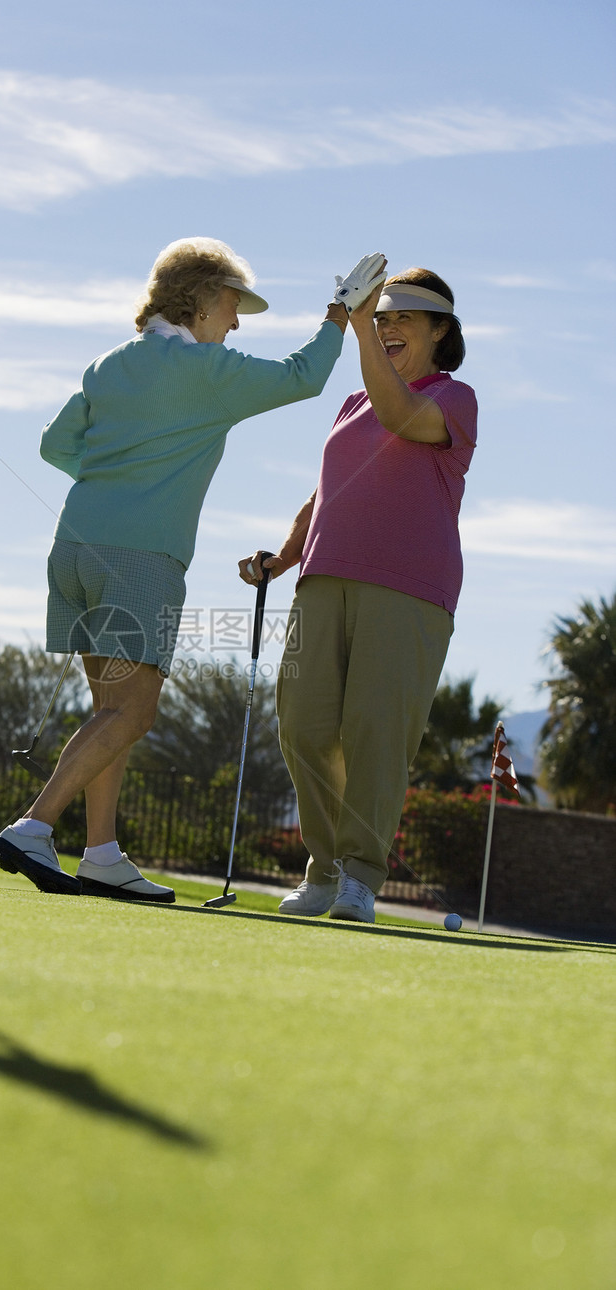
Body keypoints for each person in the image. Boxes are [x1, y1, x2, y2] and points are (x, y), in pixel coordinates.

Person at [0, 238, 387, 904]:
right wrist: (339, 316)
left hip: (75, 547)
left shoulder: (110, 365)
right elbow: (303, 376)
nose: (234, 322)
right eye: (232, 304)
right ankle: (33, 825)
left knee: (109, 711)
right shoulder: (203, 369)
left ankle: (102, 854)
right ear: (200, 299)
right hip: (141, 557)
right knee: (135, 713)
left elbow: (54, 445)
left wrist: (118, 477)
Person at [240, 266, 477, 922]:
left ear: (440, 332)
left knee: (375, 729)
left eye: (403, 316)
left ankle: (357, 880)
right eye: (381, 316)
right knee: (303, 725)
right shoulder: (351, 404)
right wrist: (283, 557)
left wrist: (361, 331)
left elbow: (403, 418)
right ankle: (323, 869)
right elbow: (322, 495)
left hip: (411, 590)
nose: (389, 325)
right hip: (323, 577)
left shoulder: (455, 399)